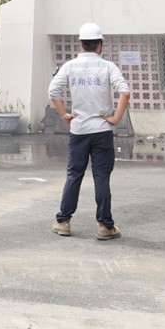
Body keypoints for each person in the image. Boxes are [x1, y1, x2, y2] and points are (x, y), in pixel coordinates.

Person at [48, 21, 132, 240]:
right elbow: (125, 92)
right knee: (101, 176)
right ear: (99, 45)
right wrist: (115, 118)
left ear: (81, 44)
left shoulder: (70, 66)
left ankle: (63, 222)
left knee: (74, 174)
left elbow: (53, 91)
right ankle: (105, 226)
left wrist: (64, 114)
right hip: (102, 130)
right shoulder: (107, 67)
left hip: (79, 130)